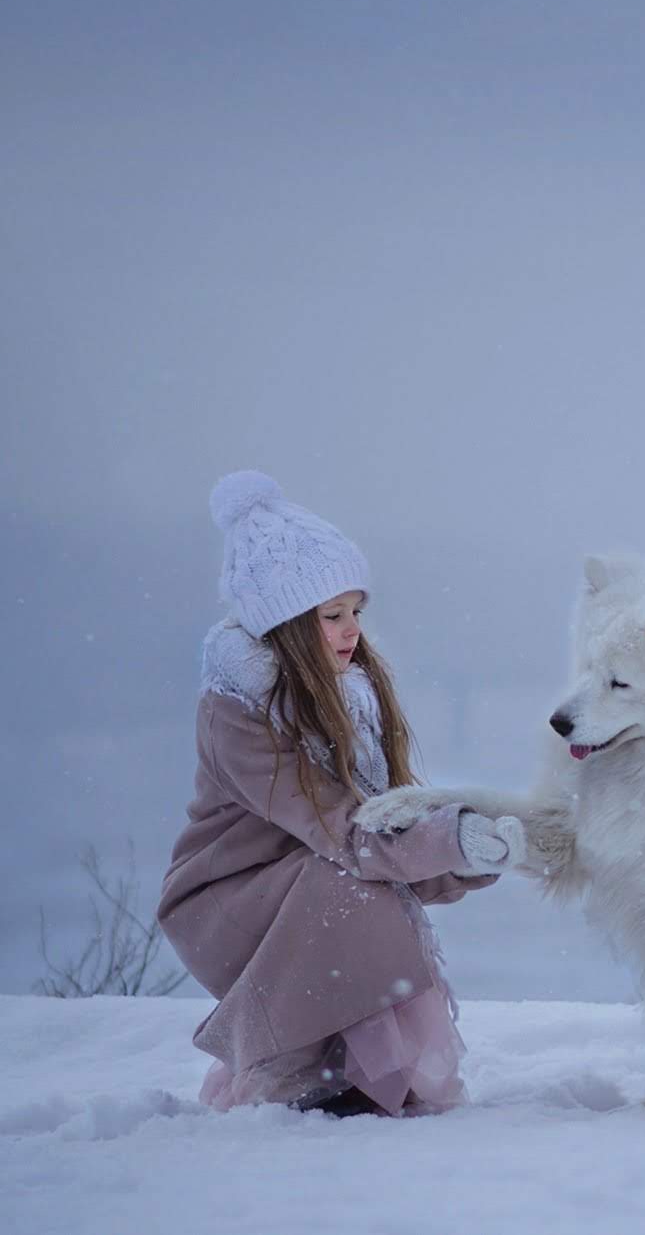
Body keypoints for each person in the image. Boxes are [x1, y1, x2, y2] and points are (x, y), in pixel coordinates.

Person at [157, 471, 524, 1117]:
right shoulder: (237, 712)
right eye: (332, 615)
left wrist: (474, 848)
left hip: (307, 874)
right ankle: (300, 1079)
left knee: (353, 878)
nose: (351, 629)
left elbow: (393, 824)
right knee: (348, 881)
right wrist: (447, 838)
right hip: (228, 898)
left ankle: (353, 1078)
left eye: (357, 610)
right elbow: (351, 831)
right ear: (288, 622)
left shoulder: (351, 692)